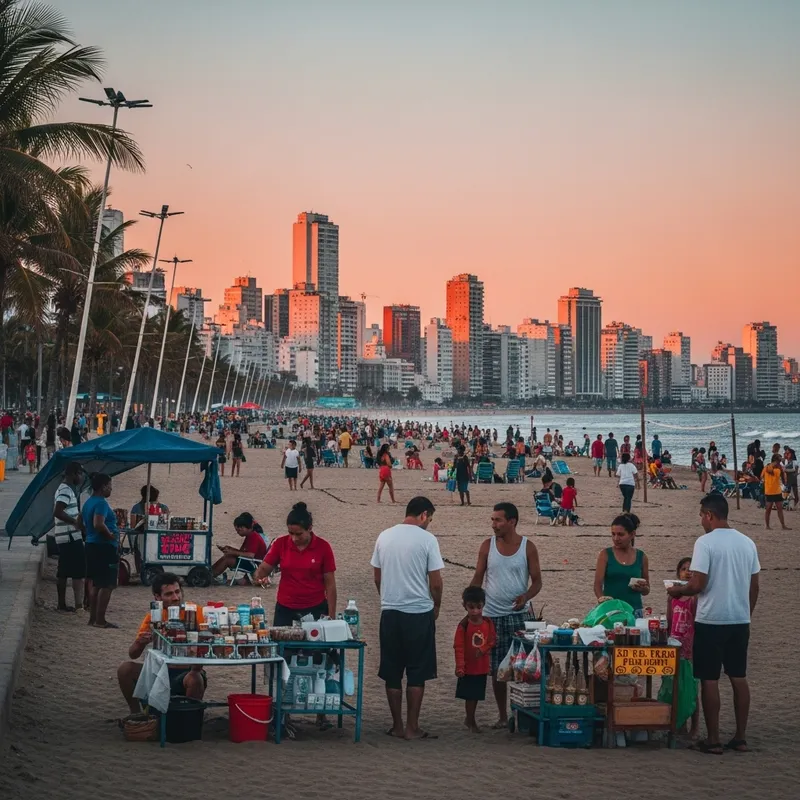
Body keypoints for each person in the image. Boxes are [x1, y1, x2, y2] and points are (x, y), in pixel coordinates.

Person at [668, 494, 760, 755]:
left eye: (701, 515)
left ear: (709, 515)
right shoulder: (747, 542)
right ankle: (740, 737)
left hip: (711, 619)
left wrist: (678, 591)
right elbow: (754, 586)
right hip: (739, 619)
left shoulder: (705, 543)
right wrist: (747, 613)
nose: (700, 520)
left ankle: (714, 738)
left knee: (709, 679)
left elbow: (698, 584)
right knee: (738, 676)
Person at [371, 496, 444, 740]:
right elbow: (435, 582)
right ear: (424, 515)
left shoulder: (384, 535)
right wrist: (437, 605)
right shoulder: (428, 540)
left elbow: (377, 576)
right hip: (418, 613)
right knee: (417, 671)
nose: (429, 524)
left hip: (390, 611)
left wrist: (387, 597)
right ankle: (412, 726)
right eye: (430, 519)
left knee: (392, 670)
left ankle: (397, 725)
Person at [470, 502, 542, 729]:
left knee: (525, 667)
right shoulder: (486, 546)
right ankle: (503, 715)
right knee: (497, 669)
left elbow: (537, 581)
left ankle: (524, 713)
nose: (494, 525)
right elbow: (478, 577)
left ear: (512, 522)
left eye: (498, 520)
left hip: (520, 616)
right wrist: (471, 603)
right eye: (492, 520)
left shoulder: (527, 547)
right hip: (492, 616)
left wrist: (526, 595)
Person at [117, 572, 207, 714]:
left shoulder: (195, 612)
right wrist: (141, 643)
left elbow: (208, 643)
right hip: (158, 671)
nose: (176, 598)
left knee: (195, 678)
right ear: (158, 597)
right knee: (125, 669)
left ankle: (188, 720)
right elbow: (133, 654)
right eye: (169, 594)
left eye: (177, 592)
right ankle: (136, 714)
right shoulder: (154, 617)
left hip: (187, 671)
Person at [254, 502, 337, 625]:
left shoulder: (323, 547)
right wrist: (260, 575)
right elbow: (263, 569)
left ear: (309, 528)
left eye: (299, 534)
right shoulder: (280, 544)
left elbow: (330, 584)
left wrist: (331, 615)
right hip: (285, 607)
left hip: (315, 607)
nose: (294, 538)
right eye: (291, 533)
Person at [453, 585, 496, 733]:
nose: (475, 611)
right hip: (468, 667)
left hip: (481, 667)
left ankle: (470, 718)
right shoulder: (463, 626)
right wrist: (460, 666)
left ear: (483, 605)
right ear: (464, 606)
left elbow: (491, 640)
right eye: (471, 607)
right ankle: (470, 720)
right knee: (469, 696)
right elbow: (458, 647)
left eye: (478, 607)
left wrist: (483, 650)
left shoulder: (488, 623)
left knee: (476, 695)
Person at [667, 557, 700, 740]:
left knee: (692, 687)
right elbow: (670, 619)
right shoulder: (673, 596)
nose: (687, 572)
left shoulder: (696, 597)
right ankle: (679, 723)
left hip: (690, 643)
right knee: (676, 686)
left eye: (691, 569)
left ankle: (694, 726)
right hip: (674, 641)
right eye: (684, 569)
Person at [82, 473, 120, 628]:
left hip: (91, 545)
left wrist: (88, 533)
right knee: (107, 584)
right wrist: (110, 536)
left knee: (96, 584)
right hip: (104, 547)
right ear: (103, 487)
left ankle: (93, 619)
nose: (111, 489)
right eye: (110, 486)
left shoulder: (88, 502)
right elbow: (98, 523)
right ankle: (100, 620)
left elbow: (80, 521)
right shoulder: (102, 504)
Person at [593, 512, 649, 617]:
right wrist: (603, 601)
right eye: (613, 534)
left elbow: (647, 590)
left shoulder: (641, 557)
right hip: (610, 610)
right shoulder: (605, 554)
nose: (616, 538)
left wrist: (642, 588)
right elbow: (597, 585)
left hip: (634, 610)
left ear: (632, 534)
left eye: (620, 534)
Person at [52, 463, 86, 612]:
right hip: (69, 536)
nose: (81, 477)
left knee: (65, 570)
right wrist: (75, 522)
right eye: (80, 474)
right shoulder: (65, 490)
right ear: (73, 474)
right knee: (73, 571)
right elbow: (57, 511)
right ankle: (68, 604)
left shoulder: (66, 489)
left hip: (67, 535)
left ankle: (64, 604)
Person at [212, 512, 269, 580]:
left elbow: (250, 555)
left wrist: (232, 552)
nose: (238, 532)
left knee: (227, 559)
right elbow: (242, 552)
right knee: (227, 556)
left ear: (243, 528)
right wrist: (230, 549)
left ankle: (210, 576)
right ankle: (210, 571)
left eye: (238, 530)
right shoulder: (250, 535)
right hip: (250, 561)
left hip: (254, 565)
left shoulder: (254, 537)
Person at [129, 485, 170, 577]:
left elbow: (133, 526)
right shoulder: (163, 507)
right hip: (158, 536)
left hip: (141, 536)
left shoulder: (136, 507)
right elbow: (167, 524)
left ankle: (139, 570)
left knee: (137, 548)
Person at [763, 453, 790, 530]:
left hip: (777, 491)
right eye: (778, 460)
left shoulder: (779, 468)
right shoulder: (769, 467)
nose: (779, 462)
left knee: (779, 509)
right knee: (768, 509)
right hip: (769, 491)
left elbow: (783, 477)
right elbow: (769, 470)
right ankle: (767, 526)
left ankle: (783, 525)